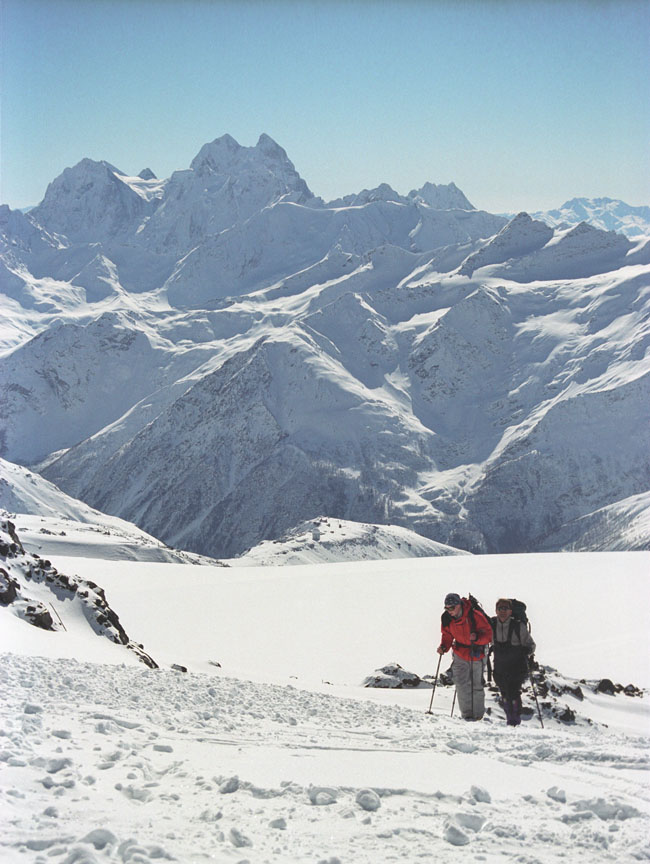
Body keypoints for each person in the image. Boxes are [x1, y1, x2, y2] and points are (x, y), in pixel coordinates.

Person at [437, 592, 492, 721]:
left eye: (451, 607)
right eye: (447, 608)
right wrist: (444, 647)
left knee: (476, 684)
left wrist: (477, 638)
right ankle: (467, 716)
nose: (449, 611)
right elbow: (447, 635)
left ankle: (477, 716)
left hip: (476, 652)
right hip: (460, 653)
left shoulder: (475, 616)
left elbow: (488, 634)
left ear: (459, 605)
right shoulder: (446, 618)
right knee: (461, 684)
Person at [490, 598, 536, 726]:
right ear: (496, 610)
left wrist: (527, 650)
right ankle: (511, 719)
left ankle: (514, 720)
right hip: (500, 666)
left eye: (505, 608)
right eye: (500, 608)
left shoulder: (518, 626)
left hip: (517, 666)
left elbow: (531, 645)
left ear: (511, 611)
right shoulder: (492, 624)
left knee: (513, 692)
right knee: (505, 692)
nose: (503, 611)